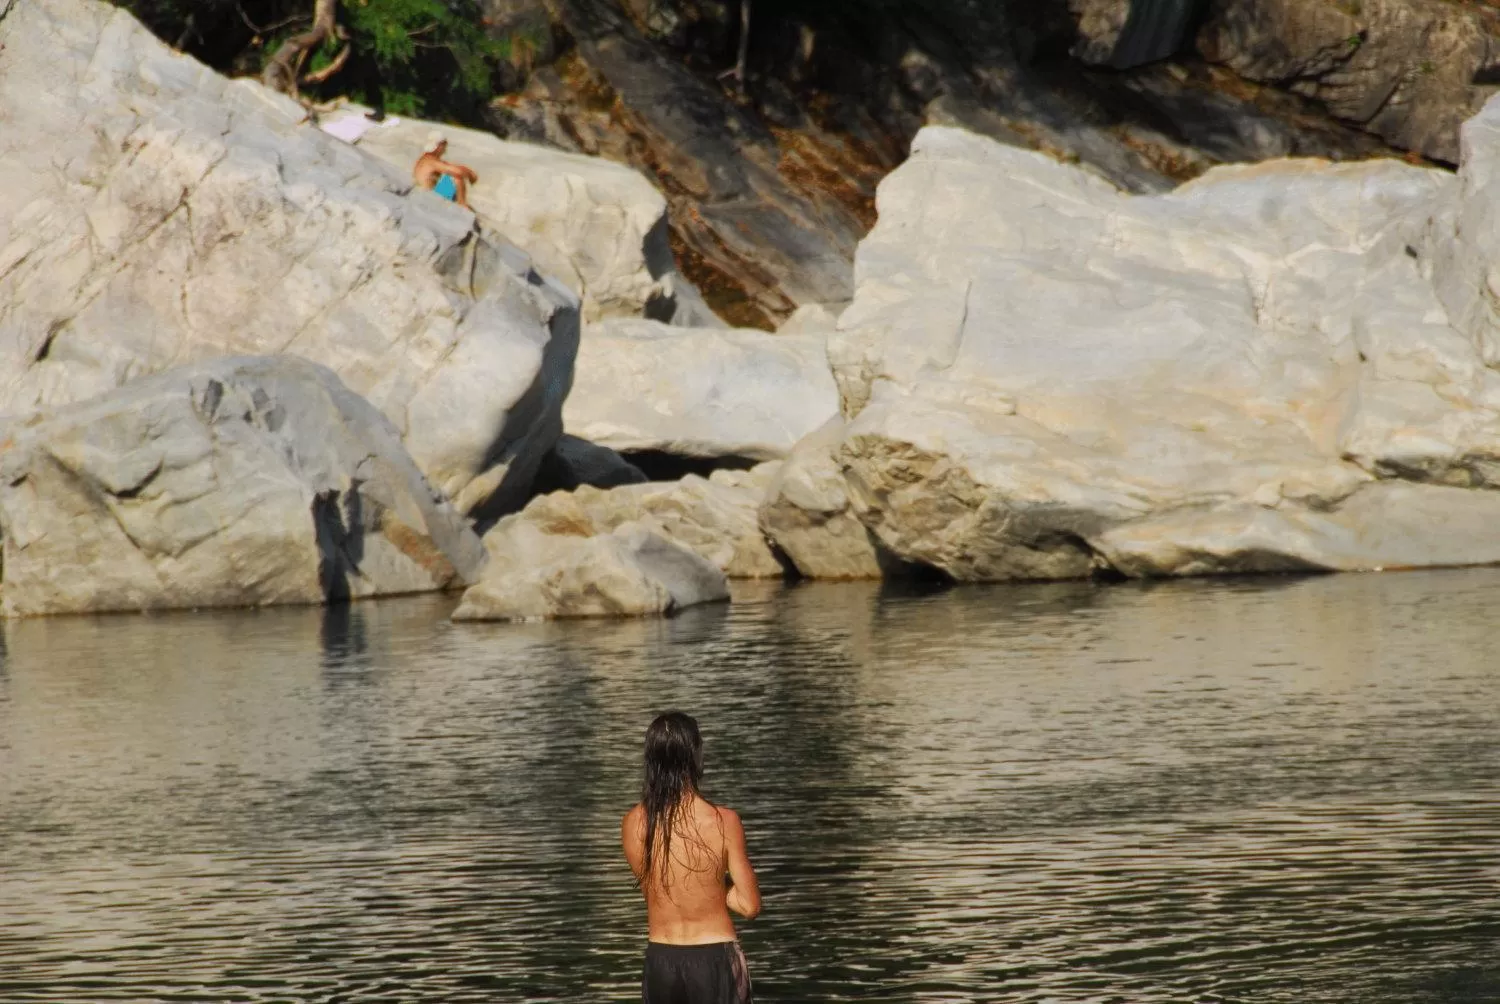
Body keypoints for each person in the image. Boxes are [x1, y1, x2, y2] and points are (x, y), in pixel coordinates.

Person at [622, 712, 761, 1004]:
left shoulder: (633, 823)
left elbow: (655, 889)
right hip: (715, 958)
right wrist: (711, 883)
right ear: (694, 754)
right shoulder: (723, 821)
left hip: (660, 959)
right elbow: (749, 906)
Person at [412, 131, 477, 208]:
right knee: (456, 178)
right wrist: (470, 174)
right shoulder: (431, 161)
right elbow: (458, 172)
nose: (445, 150)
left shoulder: (427, 159)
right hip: (428, 197)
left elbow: (451, 166)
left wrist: (468, 171)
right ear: (439, 146)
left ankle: (461, 203)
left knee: (452, 176)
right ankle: (462, 205)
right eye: (444, 146)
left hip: (425, 194)